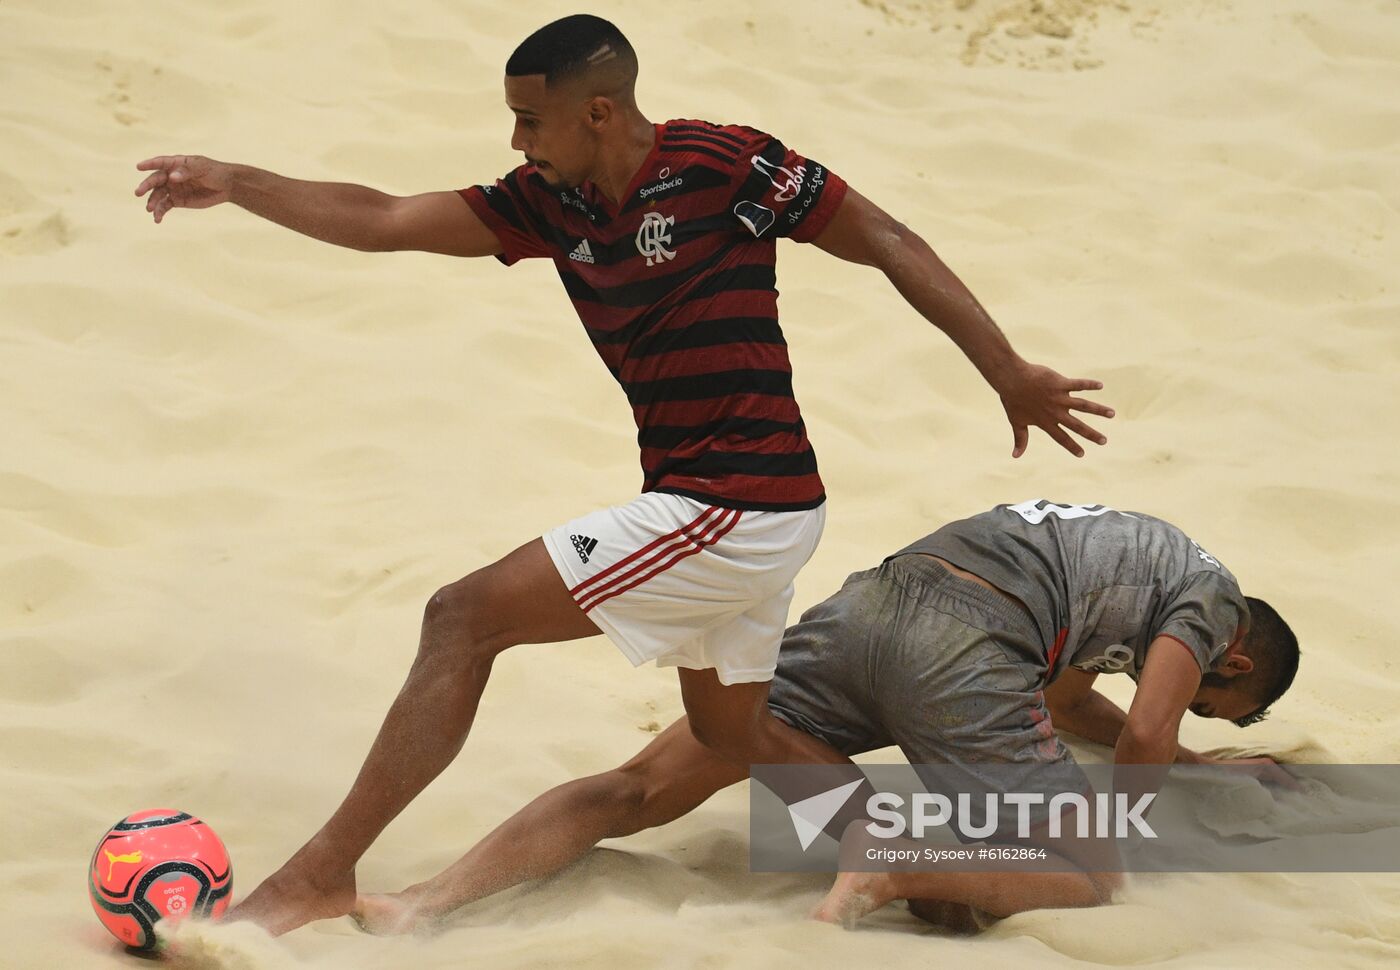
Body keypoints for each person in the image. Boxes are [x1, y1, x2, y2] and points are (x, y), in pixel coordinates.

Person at [132, 15, 1113, 935]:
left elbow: (888, 239)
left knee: (461, 616)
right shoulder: (548, 203)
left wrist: (1007, 372)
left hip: (735, 500)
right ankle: (917, 858)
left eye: (528, 117)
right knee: (731, 731)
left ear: (595, 110)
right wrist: (239, 181)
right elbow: (387, 216)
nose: (516, 139)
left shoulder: (728, 167)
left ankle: (317, 874)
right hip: (739, 504)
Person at [349, 499, 1300, 935]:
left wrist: (1196, 765)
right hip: (970, 647)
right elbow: (1141, 733)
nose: (1192, 712)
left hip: (872, 607)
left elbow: (1074, 708)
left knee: (637, 787)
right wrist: (1126, 821)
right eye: (1217, 708)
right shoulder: (1210, 593)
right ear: (1239, 658)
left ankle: (417, 904)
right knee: (1092, 879)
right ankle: (898, 862)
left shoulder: (1119, 561)